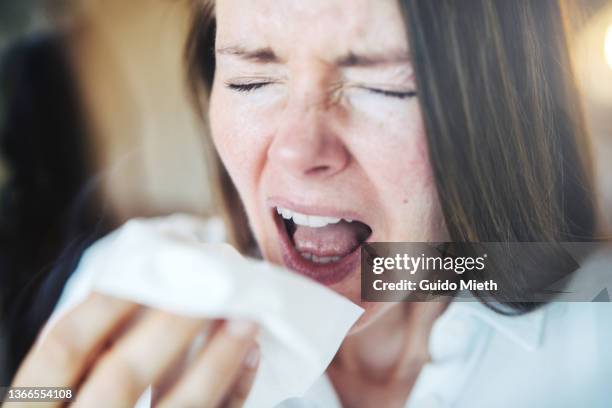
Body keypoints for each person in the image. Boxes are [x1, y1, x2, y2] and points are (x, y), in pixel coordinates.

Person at [4, 0, 612, 407]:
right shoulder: (133, 282)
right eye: (251, 79)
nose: (299, 149)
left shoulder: (594, 334)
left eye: (383, 87)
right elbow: (35, 393)